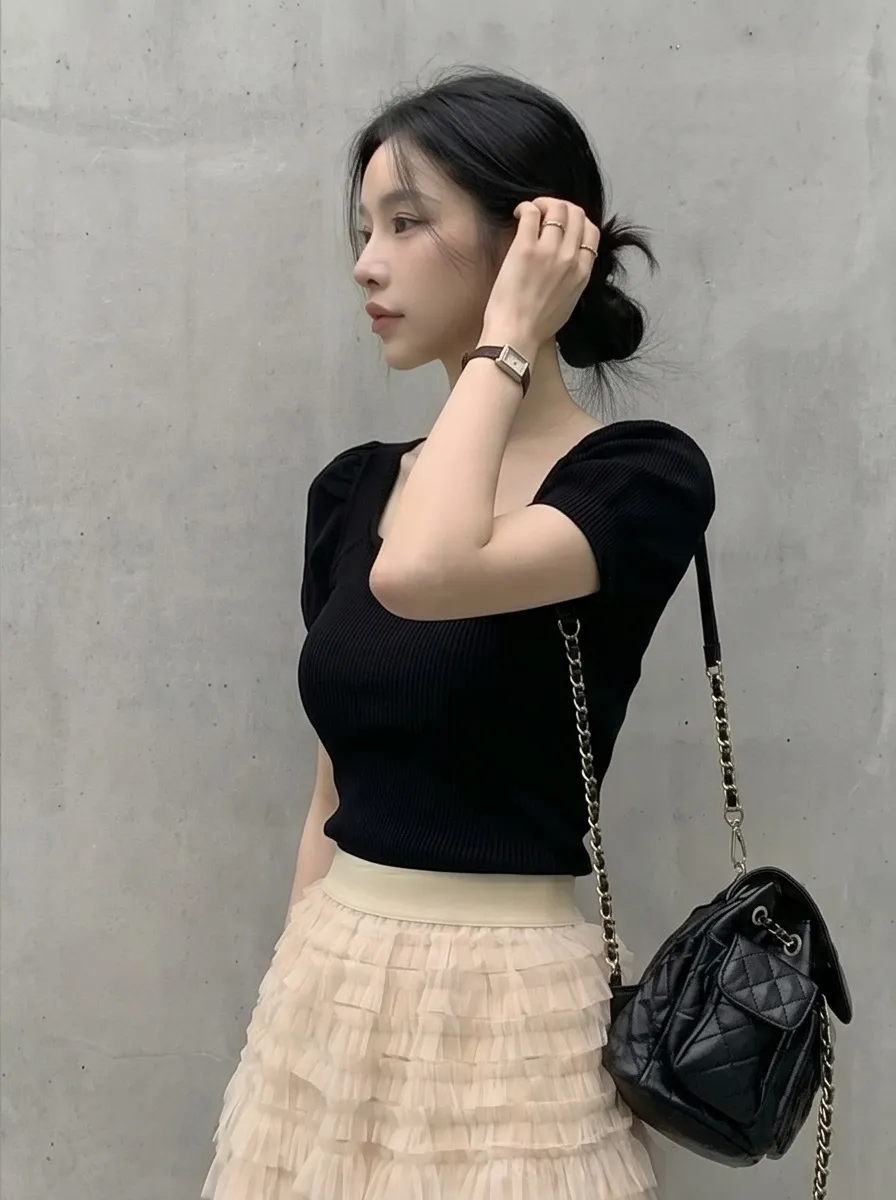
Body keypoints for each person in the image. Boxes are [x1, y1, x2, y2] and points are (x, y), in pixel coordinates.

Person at [201, 67, 715, 1200]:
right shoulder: (353, 491)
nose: (365, 263)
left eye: (406, 222)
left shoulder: (636, 479)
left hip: (510, 1003)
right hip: (329, 986)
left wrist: (512, 338)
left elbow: (425, 573)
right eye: (363, 230)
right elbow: (331, 789)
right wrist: (293, 987)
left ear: (525, 238)